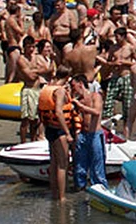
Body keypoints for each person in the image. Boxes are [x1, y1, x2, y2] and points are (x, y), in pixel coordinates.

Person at [38, 69, 75, 201]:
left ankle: (54, 193)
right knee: (62, 164)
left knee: (53, 162)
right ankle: (62, 197)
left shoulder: (46, 88)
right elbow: (59, 112)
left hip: (49, 128)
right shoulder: (59, 91)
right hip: (59, 130)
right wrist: (67, 132)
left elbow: (40, 110)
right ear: (67, 77)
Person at [69, 74, 108, 190]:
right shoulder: (78, 101)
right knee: (79, 165)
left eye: (73, 86)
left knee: (97, 165)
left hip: (95, 134)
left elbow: (96, 112)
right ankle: (80, 187)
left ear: (81, 84)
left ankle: (101, 188)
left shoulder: (95, 96)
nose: (73, 89)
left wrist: (81, 107)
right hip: (82, 134)